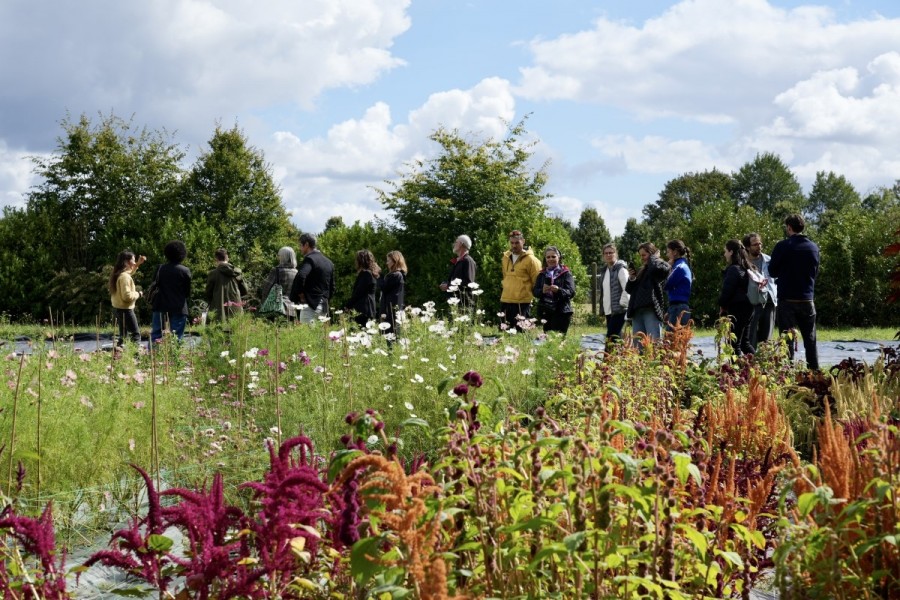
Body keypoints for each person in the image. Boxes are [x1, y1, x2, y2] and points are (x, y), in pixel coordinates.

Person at [768, 214, 820, 370]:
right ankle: (814, 371)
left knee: (786, 340)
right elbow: (815, 271)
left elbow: (772, 271)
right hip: (807, 298)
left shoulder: (782, 246)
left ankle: (787, 371)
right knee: (810, 339)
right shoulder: (813, 247)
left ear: (788, 227)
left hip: (787, 299)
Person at [626, 242, 670, 346]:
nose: (642, 258)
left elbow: (656, 269)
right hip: (637, 310)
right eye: (640, 255)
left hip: (651, 310)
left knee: (654, 342)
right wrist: (632, 278)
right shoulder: (643, 269)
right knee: (638, 344)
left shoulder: (662, 266)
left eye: (644, 255)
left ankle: (654, 362)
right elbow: (629, 290)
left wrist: (654, 258)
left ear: (652, 254)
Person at [719, 239, 756, 357]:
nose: (724, 254)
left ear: (731, 252)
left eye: (725, 251)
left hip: (737, 309)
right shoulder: (748, 267)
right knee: (745, 343)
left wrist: (722, 306)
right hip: (749, 308)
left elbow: (727, 292)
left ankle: (736, 372)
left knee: (734, 344)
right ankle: (758, 366)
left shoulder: (733, 269)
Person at [499, 230, 542, 331]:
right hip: (505, 299)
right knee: (503, 333)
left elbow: (537, 282)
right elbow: (505, 277)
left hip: (522, 302)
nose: (514, 245)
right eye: (512, 243)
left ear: (523, 241)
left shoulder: (532, 260)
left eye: (517, 243)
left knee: (520, 333)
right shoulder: (505, 258)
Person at [150, 240, 192, 342]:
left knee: (156, 334)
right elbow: (187, 292)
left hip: (160, 305)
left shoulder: (160, 268)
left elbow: (154, 285)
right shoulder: (185, 271)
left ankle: (153, 356)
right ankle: (175, 357)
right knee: (177, 337)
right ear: (182, 254)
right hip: (178, 306)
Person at [289, 232, 335, 324]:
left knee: (306, 337)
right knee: (319, 337)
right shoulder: (329, 262)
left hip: (311, 306)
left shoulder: (310, 259)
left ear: (306, 245)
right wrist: (325, 299)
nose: (300, 248)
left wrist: (301, 294)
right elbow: (332, 287)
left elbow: (301, 276)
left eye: (300, 245)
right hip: (324, 307)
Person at [743, 233, 778, 350]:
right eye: (755, 244)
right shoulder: (743, 263)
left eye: (760, 243)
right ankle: (750, 362)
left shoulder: (769, 260)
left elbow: (777, 279)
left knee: (766, 338)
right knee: (750, 336)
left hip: (768, 302)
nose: (759, 246)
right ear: (747, 247)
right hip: (751, 304)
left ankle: (765, 363)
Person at [532, 246, 575, 335]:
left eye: (553, 256)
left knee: (558, 341)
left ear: (558, 258)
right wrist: (542, 291)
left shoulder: (566, 273)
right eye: (548, 257)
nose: (550, 259)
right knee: (547, 340)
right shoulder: (542, 274)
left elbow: (571, 292)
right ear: (545, 259)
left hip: (561, 312)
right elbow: (535, 291)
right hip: (546, 311)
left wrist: (558, 290)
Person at [109, 250, 146, 346]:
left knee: (123, 336)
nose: (134, 263)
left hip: (118, 309)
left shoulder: (118, 273)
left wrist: (138, 264)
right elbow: (127, 297)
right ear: (126, 261)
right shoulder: (124, 277)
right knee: (136, 335)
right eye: (133, 260)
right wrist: (139, 294)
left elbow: (129, 272)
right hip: (126, 310)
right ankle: (137, 357)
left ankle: (118, 354)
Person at [597, 243, 630, 348]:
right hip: (609, 311)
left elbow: (627, 288)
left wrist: (622, 305)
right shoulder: (604, 271)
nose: (608, 255)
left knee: (610, 338)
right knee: (616, 338)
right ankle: (620, 360)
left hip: (619, 310)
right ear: (603, 255)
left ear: (616, 254)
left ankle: (607, 361)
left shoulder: (621, 269)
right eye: (606, 253)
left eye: (611, 252)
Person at [205, 248, 248, 322]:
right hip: (236, 309)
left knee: (217, 332)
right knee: (236, 332)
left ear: (216, 259)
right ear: (227, 257)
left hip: (218, 311)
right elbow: (245, 290)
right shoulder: (237, 273)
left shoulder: (213, 274)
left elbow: (208, 294)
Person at [260, 246, 299, 320]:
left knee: (275, 330)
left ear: (283, 257)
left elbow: (266, 289)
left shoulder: (276, 271)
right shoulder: (297, 272)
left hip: (277, 308)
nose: (278, 258)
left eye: (279, 255)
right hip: (293, 309)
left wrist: (263, 304)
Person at [346, 250, 380, 328]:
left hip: (364, 309)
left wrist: (348, 306)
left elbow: (358, 292)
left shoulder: (366, 274)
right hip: (368, 308)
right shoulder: (370, 273)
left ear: (361, 261)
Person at [439, 234, 476, 307]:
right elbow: (457, 280)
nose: (454, 244)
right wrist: (447, 284)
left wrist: (448, 286)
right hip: (456, 302)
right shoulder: (460, 260)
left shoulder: (468, 261)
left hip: (464, 304)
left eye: (456, 242)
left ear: (461, 244)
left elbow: (469, 283)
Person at [665, 240, 693, 329]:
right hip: (677, 306)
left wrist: (666, 268)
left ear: (675, 252)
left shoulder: (679, 267)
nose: (667, 255)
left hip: (678, 308)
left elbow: (666, 284)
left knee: (670, 340)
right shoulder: (682, 265)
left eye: (668, 252)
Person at [378, 250, 407, 336]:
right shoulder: (399, 274)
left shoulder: (395, 275)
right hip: (395, 309)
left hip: (391, 310)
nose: (387, 263)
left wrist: (379, 276)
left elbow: (384, 288)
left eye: (388, 260)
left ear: (395, 261)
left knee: (390, 334)